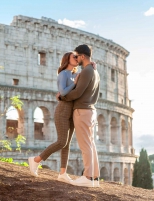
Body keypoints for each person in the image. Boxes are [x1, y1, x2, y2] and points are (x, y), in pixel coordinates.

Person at [28, 52, 79, 184]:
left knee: (67, 144)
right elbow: (62, 92)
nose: (77, 58)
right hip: (62, 111)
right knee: (62, 141)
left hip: (72, 111)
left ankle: (63, 173)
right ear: (67, 59)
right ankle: (36, 160)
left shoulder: (74, 75)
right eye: (74, 56)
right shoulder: (63, 74)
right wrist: (75, 84)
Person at [58, 44, 100, 187]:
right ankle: (94, 178)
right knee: (91, 144)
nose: (76, 59)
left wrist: (62, 97)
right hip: (90, 110)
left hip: (82, 110)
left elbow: (77, 92)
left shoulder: (87, 71)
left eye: (77, 56)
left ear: (82, 56)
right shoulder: (94, 71)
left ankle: (87, 177)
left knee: (85, 145)